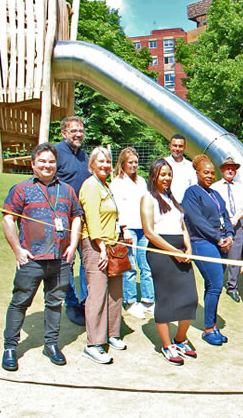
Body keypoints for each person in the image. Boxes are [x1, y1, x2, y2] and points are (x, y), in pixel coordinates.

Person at [0, 143, 83, 371]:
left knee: (55, 303)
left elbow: (77, 216)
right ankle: (10, 347)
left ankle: (51, 344)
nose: (48, 165)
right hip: (32, 260)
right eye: (42, 161)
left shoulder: (66, 190)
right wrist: (18, 250)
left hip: (60, 260)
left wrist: (73, 244)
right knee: (20, 302)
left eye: (51, 161)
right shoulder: (21, 189)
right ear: (33, 164)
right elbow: (8, 218)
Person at [141, 159, 198, 365]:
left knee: (190, 298)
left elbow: (183, 227)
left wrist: (188, 249)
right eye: (162, 174)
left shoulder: (173, 199)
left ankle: (180, 340)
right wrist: (173, 251)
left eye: (169, 174)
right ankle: (167, 346)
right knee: (165, 299)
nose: (166, 178)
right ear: (154, 176)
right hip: (160, 252)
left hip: (181, 251)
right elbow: (149, 232)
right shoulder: (148, 199)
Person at [79, 146, 126, 364]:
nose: (105, 165)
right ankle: (94, 343)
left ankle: (112, 332)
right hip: (96, 246)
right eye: (101, 161)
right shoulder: (90, 186)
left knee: (115, 292)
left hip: (113, 245)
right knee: (97, 294)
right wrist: (102, 247)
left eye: (108, 161)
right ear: (92, 164)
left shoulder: (105, 185)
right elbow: (92, 219)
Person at [181, 154, 234, 346]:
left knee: (214, 285)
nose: (210, 176)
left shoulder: (216, 194)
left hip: (221, 243)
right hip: (202, 242)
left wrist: (229, 235)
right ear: (197, 173)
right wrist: (218, 238)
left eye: (212, 173)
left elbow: (226, 216)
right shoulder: (191, 193)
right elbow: (197, 221)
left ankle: (211, 323)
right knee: (216, 284)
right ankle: (209, 329)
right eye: (206, 173)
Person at [109, 147, 154, 319]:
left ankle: (149, 300)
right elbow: (117, 209)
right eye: (130, 162)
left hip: (143, 228)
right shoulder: (117, 183)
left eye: (136, 162)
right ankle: (130, 301)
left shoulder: (141, 181)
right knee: (131, 266)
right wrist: (124, 229)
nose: (134, 165)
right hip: (128, 230)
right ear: (123, 163)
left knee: (146, 266)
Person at [54, 116, 90, 326]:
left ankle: (86, 302)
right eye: (73, 130)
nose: (78, 134)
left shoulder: (84, 156)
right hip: (63, 219)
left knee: (87, 261)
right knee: (67, 262)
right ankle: (71, 303)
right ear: (64, 133)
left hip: (83, 218)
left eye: (81, 130)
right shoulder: (56, 153)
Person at [211, 157, 243, 303]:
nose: (230, 170)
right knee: (219, 255)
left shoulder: (240, 187)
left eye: (233, 169)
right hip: (220, 225)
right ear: (222, 170)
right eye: (227, 168)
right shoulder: (215, 187)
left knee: (235, 256)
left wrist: (235, 219)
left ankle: (232, 287)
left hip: (236, 223)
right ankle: (215, 284)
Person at [164, 134, 197, 202]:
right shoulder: (163, 163)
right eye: (174, 145)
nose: (177, 149)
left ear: (184, 147)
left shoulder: (190, 166)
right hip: (165, 205)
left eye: (180, 146)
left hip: (184, 206)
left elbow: (194, 188)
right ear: (169, 146)